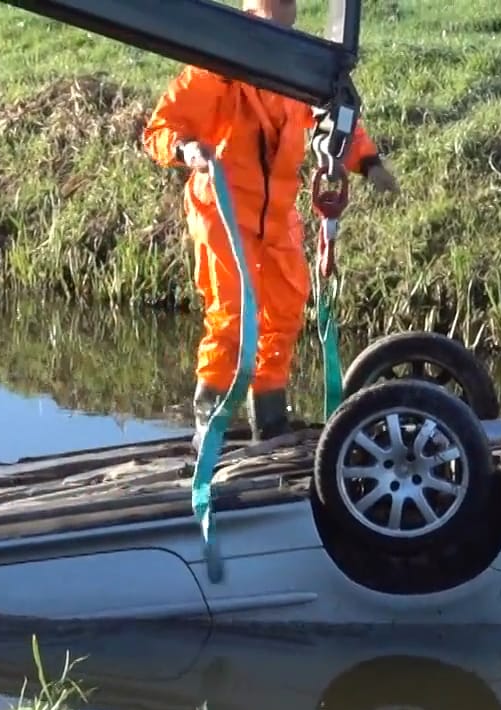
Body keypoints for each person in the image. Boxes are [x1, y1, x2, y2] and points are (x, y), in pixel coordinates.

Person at [140, 0, 399, 445]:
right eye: (275, 8)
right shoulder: (218, 67)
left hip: (277, 215)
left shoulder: (298, 66)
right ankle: (211, 428)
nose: (286, 13)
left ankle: (270, 422)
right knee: (232, 318)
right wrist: (186, 150)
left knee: (282, 312)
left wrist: (368, 162)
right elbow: (160, 129)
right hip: (222, 210)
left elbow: (334, 117)